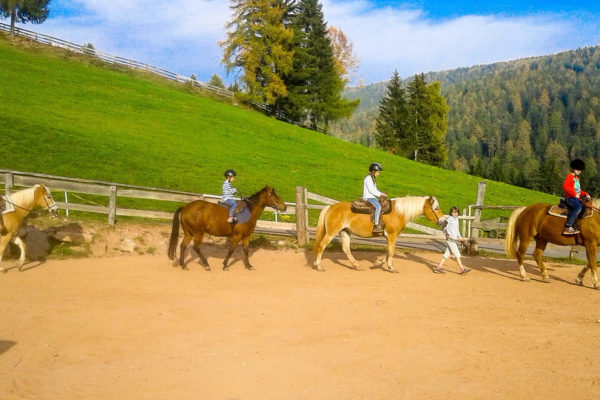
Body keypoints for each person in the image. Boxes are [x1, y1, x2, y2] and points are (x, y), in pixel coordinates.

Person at [433, 206, 470, 275]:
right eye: (454, 212)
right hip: (450, 239)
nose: (455, 214)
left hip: (454, 239)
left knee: (447, 254)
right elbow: (443, 227)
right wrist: (446, 234)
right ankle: (462, 269)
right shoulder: (449, 219)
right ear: (451, 213)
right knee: (457, 254)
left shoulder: (457, 219)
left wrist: (460, 237)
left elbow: (457, 229)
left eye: (457, 212)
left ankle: (438, 268)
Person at [562, 159, 590, 235]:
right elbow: (565, 186)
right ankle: (568, 226)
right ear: (573, 169)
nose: (579, 171)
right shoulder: (570, 176)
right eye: (578, 169)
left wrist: (585, 194)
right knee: (578, 207)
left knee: (585, 207)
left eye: (580, 170)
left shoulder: (577, 179)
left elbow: (578, 190)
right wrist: (574, 193)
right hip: (569, 198)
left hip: (576, 198)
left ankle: (577, 225)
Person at [363, 162, 387, 234]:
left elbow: (375, 189)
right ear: (373, 171)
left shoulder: (373, 179)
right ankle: (376, 225)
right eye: (378, 172)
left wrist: (381, 194)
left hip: (372, 197)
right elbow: (371, 190)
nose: (378, 174)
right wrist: (380, 194)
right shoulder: (368, 179)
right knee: (378, 207)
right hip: (368, 197)